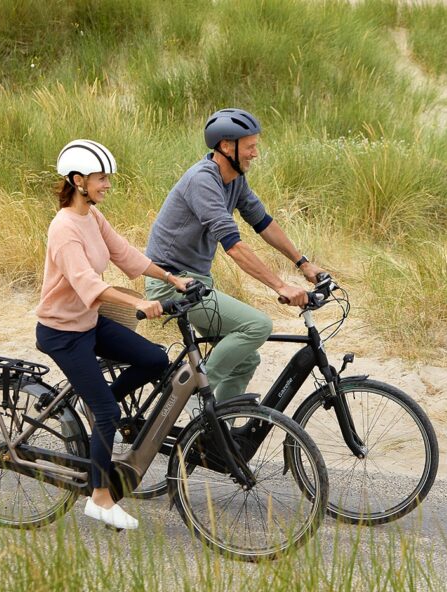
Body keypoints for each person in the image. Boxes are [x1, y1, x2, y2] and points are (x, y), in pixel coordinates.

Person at [36, 139, 191, 531]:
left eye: (107, 178)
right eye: (101, 178)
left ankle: (100, 408)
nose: (107, 185)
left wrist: (171, 278)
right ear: (78, 180)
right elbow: (87, 282)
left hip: (89, 321)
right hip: (63, 332)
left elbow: (125, 254)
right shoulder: (64, 229)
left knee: (155, 359)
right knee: (108, 412)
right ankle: (100, 498)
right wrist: (135, 304)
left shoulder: (92, 217)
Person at [144, 108, 324, 402]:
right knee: (258, 325)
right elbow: (234, 246)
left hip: (197, 282)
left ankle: (216, 437)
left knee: (246, 360)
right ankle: (187, 402)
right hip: (170, 284)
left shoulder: (234, 178)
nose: (255, 153)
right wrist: (281, 286)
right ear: (227, 146)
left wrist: (303, 263)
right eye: (250, 146)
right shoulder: (203, 181)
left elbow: (263, 223)